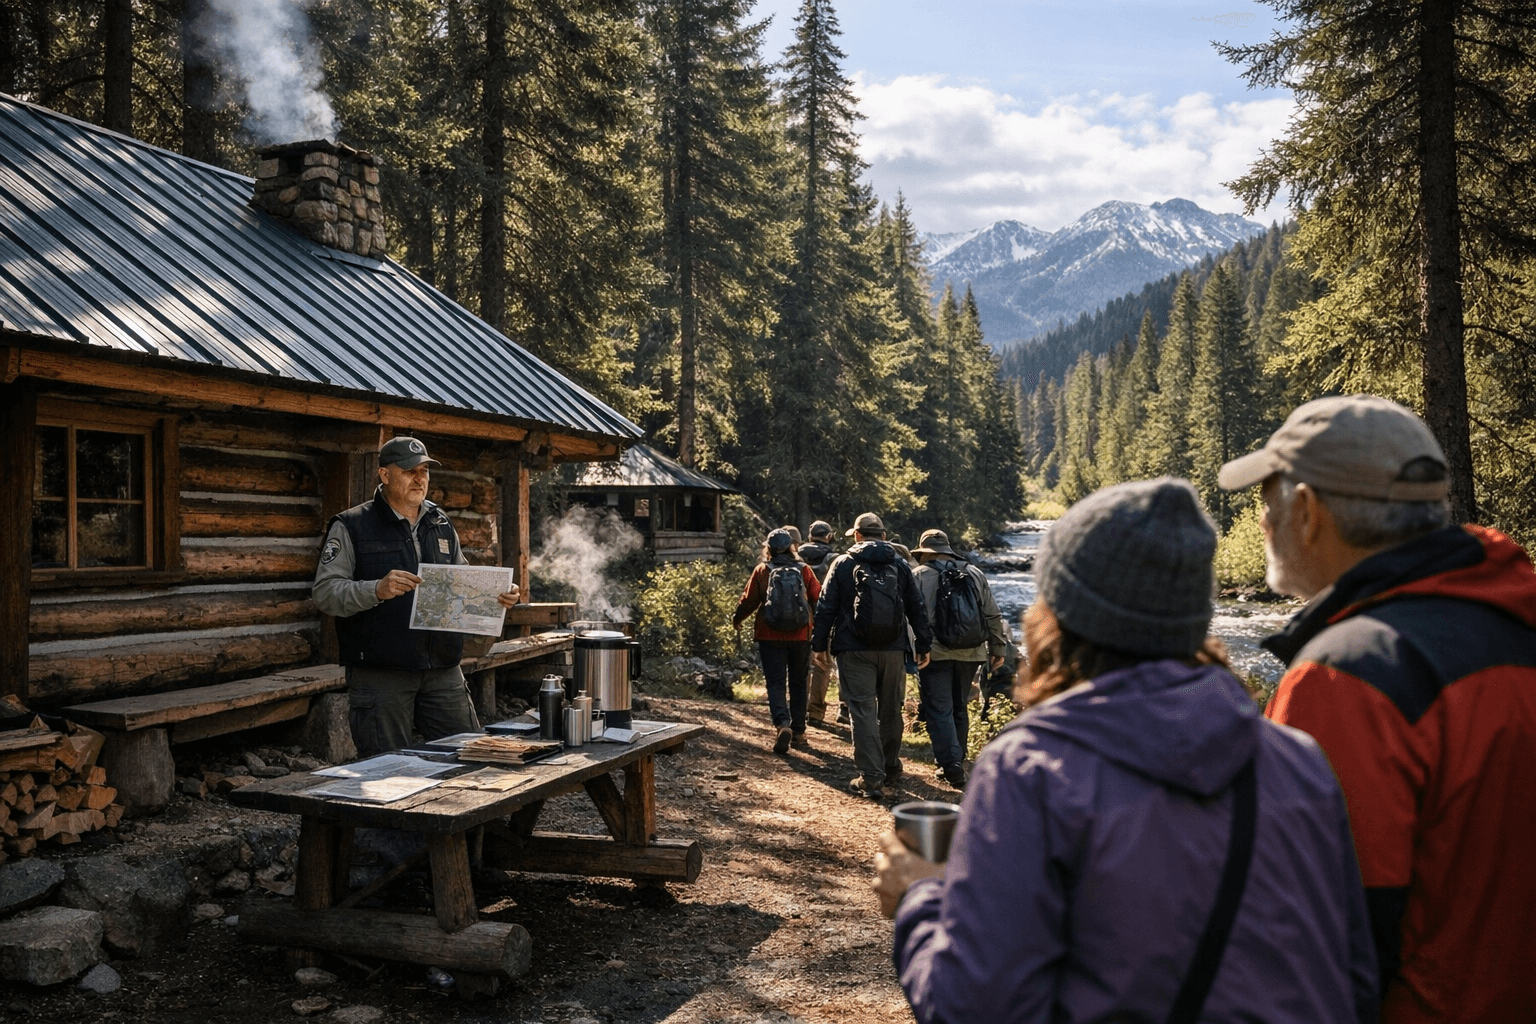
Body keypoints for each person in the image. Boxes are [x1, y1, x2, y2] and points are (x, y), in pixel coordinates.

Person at [874, 478, 1378, 1024]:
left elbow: (973, 1006)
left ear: (1059, 613)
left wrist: (920, 899)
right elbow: (1354, 977)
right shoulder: (1299, 762)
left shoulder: (1031, 769)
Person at [1218, 394, 1536, 1023]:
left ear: (1307, 512)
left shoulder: (1347, 677)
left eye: (1265, 498)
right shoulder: (1516, 622)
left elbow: (1313, 939)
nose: (1260, 521)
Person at [312, 436, 519, 757]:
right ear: (384, 475)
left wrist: (496, 596)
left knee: (469, 758)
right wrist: (376, 589)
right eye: (409, 470)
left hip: (443, 669)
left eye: (424, 470)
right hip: (381, 674)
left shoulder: (441, 522)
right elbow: (325, 594)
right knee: (386, 771)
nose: (419, 478)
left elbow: (460, 583)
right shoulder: (351, 526)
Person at [811, 512, 932, 800]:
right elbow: (916, 607)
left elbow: (826, 607)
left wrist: (819, 646)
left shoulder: (842, 564)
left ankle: (871, 777)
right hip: (893, 649)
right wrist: (924, 645)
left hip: (853, 650)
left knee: (863, 710)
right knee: (891, 709)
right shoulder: (900, 565)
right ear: (884, 535)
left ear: (857, 535)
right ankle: (890, 765)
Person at [910, 528, 1007, 789]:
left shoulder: (918, 576)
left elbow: (910, 618)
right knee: (959, 706)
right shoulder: (974, 573)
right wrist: (998, 648)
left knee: (938, 708)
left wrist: (913, 650)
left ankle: (951, 766)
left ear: (925, 553)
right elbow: (992, 613)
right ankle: (957, 759)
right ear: (947, 549)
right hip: (971, 652)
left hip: (934, 653)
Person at [732, 528, 822, 754]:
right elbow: (818, 598)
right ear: (792, 546)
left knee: (775, 683)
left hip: (769, 634)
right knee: (799, 683)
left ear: (769, 548)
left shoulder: (763, 570)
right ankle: (799, 733)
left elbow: (749, 599)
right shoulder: (804, 570)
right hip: (801, 635)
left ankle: (782, 725)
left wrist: (737, 618)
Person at [798, 520, 840, 726]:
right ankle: (815, 713)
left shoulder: (795, 555)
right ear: (829, 536)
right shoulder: (834, 558)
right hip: (824, 619)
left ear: (809, 536)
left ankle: (798, 708)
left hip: (797, 619)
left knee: (800, 665)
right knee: (822, 665)